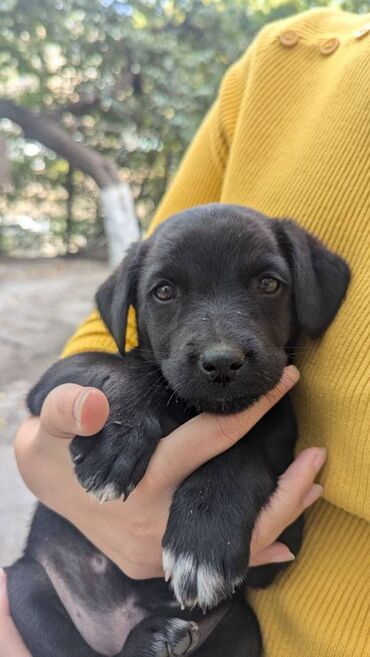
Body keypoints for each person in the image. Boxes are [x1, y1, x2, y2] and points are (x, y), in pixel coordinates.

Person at [2, 6, 369, 656]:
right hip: (52, 597)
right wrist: (119, 396)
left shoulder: (270, 422)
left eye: (265, 285)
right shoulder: (287, 61)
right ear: (135, 308)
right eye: (169, 293)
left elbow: (270, 559)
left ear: (305, 289)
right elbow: (59, 386)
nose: (223, 344)